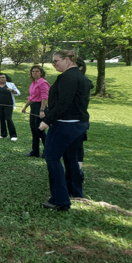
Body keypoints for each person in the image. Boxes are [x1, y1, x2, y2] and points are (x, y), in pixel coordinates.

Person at [39, 50, 91, 211]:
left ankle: (60, 200)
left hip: (66, 125)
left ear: (68, 60)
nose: (54, 64)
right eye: (52, 62)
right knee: (71, 159)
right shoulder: (80, 76)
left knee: (51, 157)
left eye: (56, 61)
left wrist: (47, 121)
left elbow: (64, 102)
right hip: (78, 124)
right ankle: (75, 192)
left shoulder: (68, 77)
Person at [73, 57, 93, 186]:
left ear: (80, 67)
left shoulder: (82, 82)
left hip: (78, 120)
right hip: (76, 119)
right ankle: (75, 171)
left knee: (78, 146)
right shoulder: (75, 80)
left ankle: (77, 172)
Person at [22, 65, 50, 157]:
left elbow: (44, 97)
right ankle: (35, 152)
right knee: (34, 130)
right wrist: (25, 107)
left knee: (40, 130)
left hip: (40, 107)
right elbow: (31, 97)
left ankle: (47, 152)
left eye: (37, 71)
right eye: (33, 71)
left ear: (41, 73)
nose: (35, 73)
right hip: (33, 107)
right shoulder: (33, 82)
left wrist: (42, 110)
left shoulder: (43, 82)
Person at [0, 73, 20, 140]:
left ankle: (13, 135)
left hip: (8, 105)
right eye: (1, 78)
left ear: (6, 78)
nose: (2, 79)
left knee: (8, 119)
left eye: (3, 77)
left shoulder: (11, 85)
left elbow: (18, 93)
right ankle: (3, 134)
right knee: (2, 119)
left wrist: (11, 90)